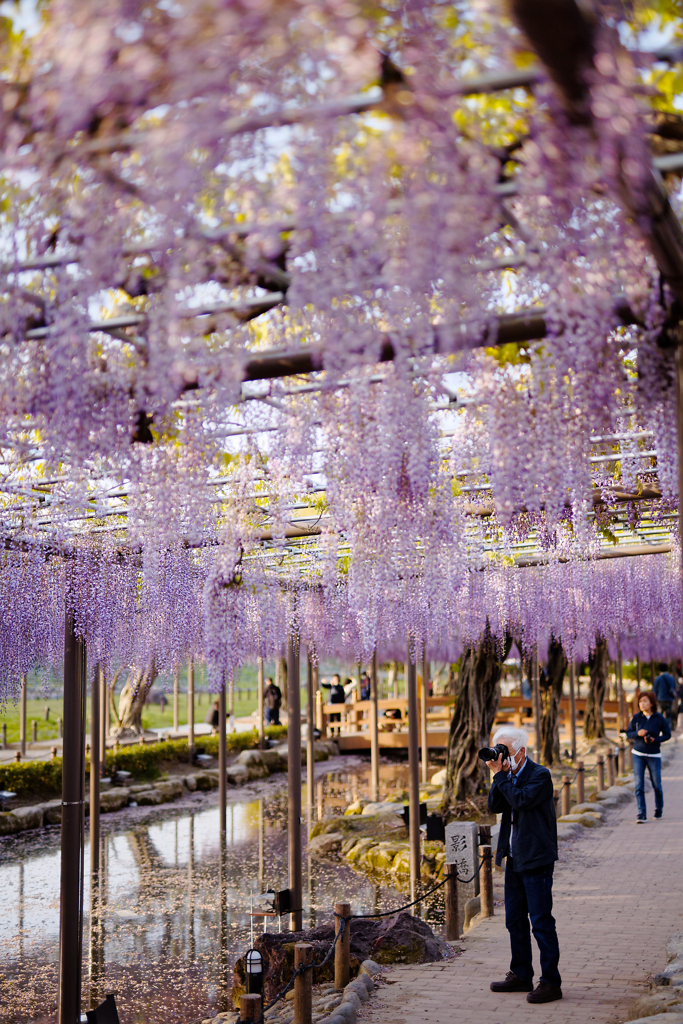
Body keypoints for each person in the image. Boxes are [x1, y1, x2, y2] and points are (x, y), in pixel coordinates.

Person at [487, 726, 562, 1005]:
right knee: (514, 921)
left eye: (504, 749)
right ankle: (521, 974)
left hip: (537, 858)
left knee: (541, 922)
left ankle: (551, 982)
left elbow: (521, 800)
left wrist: (501, 777)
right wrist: (500, 775)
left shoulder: (540, 775)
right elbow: (494, 806)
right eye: (498, 748)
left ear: (521, 751)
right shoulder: (506, 775)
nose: (501, 755)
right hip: (514, 857)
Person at [626, 691, 671, 822]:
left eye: (645, 701)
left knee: (657, 784)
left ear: (651, 703)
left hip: (654, 754)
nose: (642, 704)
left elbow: (667, 734)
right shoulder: (636, 718)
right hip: (638, 754)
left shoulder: (659, 718)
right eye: (640, 702)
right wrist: (637, 733)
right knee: (639, 784)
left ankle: (659, 809)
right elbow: (628, 733)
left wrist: (656, 740)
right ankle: (641, 813)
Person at [653, 664, 677, 729]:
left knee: (659, 714)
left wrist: (655, 698)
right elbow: (675, 688)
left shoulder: (658, 678)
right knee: (668, 715)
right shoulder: (671, 678)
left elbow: (654, 690)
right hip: (669, 699)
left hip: (660, 699)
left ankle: (659, 727)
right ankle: (668, 728)